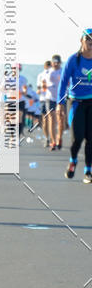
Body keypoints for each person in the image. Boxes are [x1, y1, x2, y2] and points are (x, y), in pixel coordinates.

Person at [59, 29, 92, 183]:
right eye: (88, 38)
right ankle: (73, 161)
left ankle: (88, 171)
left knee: (91, 139)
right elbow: (63, 82)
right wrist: (60, 104)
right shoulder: (74, 60)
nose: (91, 41)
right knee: (77, 138)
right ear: (81, 41)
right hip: (76, 103)